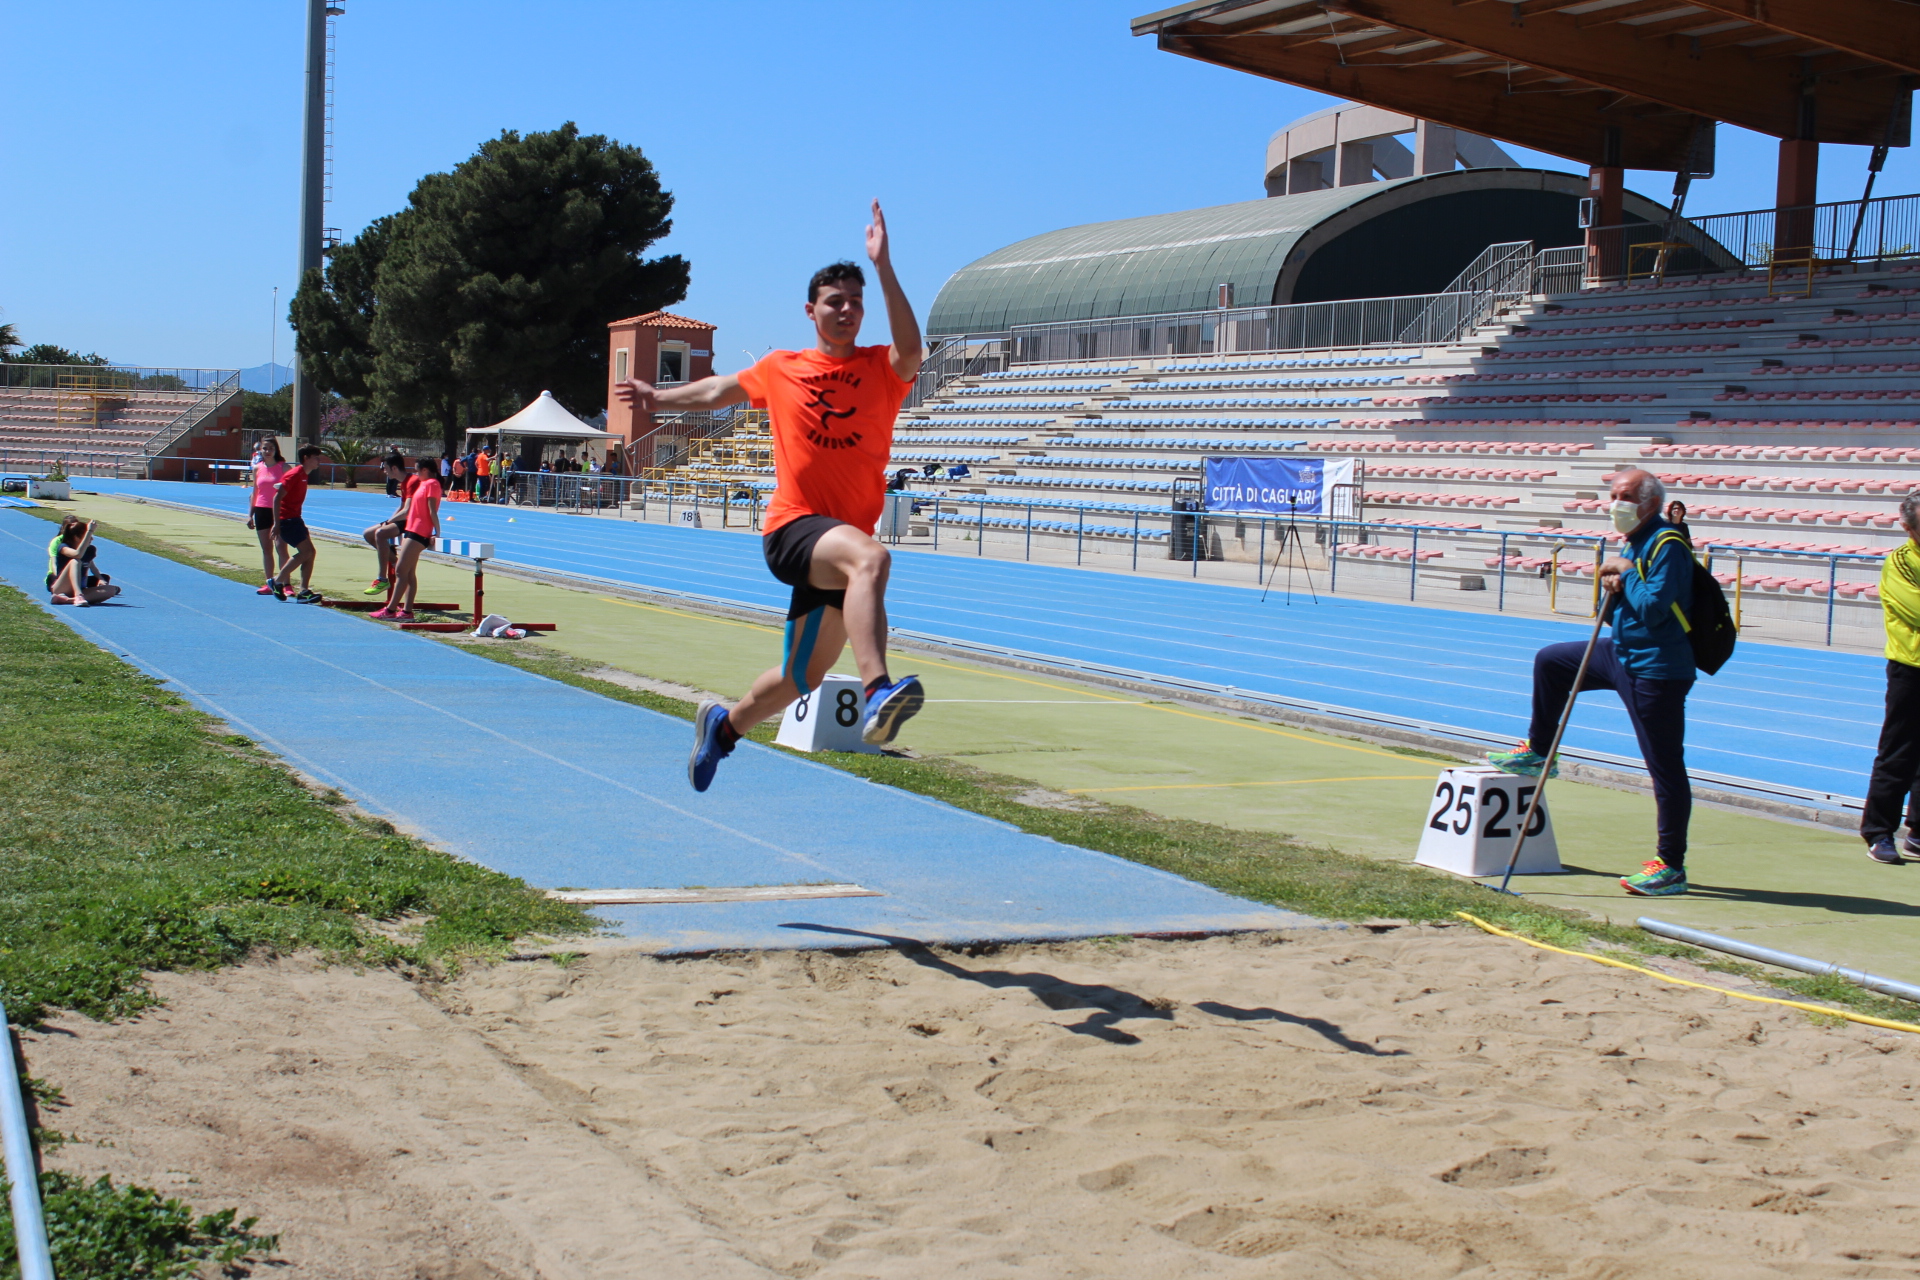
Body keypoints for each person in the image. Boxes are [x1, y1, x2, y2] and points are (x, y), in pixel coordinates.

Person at [617, 199, 925, 792]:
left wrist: (883, 268)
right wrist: (658, 397)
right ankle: (877, 692)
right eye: (835, 301)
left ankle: (723, 728)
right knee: (872, 558)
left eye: (856, 301)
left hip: (836, 547)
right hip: (794, 529)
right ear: (811, 311)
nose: (847, 310)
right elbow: (718, 391)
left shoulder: (881, 370)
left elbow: (912, 349)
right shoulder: (783, 368)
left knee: (800, 677)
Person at [1489, 468, 1697, 896]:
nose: (1616, 504)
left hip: (1655, 669)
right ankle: (1540, 750)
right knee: (1551, 662)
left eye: (1626, 496)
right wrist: (1611, 579)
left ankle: (1671, 866)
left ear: (1650, 504)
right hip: (1619, 652)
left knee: (1664, 767)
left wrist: (1625, 571)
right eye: (1613, 494)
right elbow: (1622, 599)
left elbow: (1654, 609)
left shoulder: (1668, 544)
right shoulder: (1634, 540)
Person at [1861, 491, 1920, 865]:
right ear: (1908, 527)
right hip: (1910, 667)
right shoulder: (1900, 562)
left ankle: (1918, 833)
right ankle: (1879, 831)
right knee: (1899, 752)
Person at [375, 456, 442, 621]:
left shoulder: (432, 484)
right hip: (411, 529)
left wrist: (437, 532)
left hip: (419, 531)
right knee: (409, 574)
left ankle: (390, 610)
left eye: (417, 470)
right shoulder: (423, 483)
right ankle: (407, 612)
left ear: (425, 470)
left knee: (400, 570)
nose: (415, 473)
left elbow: (432, 510)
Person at [270, 445, 326, 604]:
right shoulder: (294, 474)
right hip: (287, 520)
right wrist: (277, 523)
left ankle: (304, 591)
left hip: (296, 518)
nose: (319, 460)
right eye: (316, 457)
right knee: (305, 552)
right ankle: (277, 581)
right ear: (306, 458)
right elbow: (276, 498)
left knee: (311, 552)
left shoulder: (303, 474)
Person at [359, 454, 414, 596]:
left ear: (394, 468)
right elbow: (402, 507)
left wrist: (388, 523)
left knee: (381, 533)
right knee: (368, 534)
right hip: (404, 519)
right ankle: (396, 562)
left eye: (385, 468)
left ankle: (382, 579)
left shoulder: (412, 481)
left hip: (414, 521)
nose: (384, 471)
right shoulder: (404, 482)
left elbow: (408, 511)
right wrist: (390, 520)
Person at [248, 437, 292, 595]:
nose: (267, 451)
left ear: (276, 450)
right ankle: (269, 583)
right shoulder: (257, 468)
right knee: (266, 549)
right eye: (265, 448)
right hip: (261, 510)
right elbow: (255, 492)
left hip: (279, 511)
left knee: (281, 547)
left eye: (271, 448)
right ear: (260, 450)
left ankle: (286, 584)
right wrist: (250, 515)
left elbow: (291, 491)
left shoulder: (284, 467)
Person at [46, 516, 119, 606]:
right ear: (76, 538)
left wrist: (101, 579)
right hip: (62, 588)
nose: (91, 539)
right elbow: (78, 554)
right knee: (75, 562)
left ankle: (67, 600)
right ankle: (78, 595)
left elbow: (91, 565)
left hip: (81, 587)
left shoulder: (90, 550)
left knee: (111, 590)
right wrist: (89, 531)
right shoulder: (63, 547)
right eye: (88, 537)